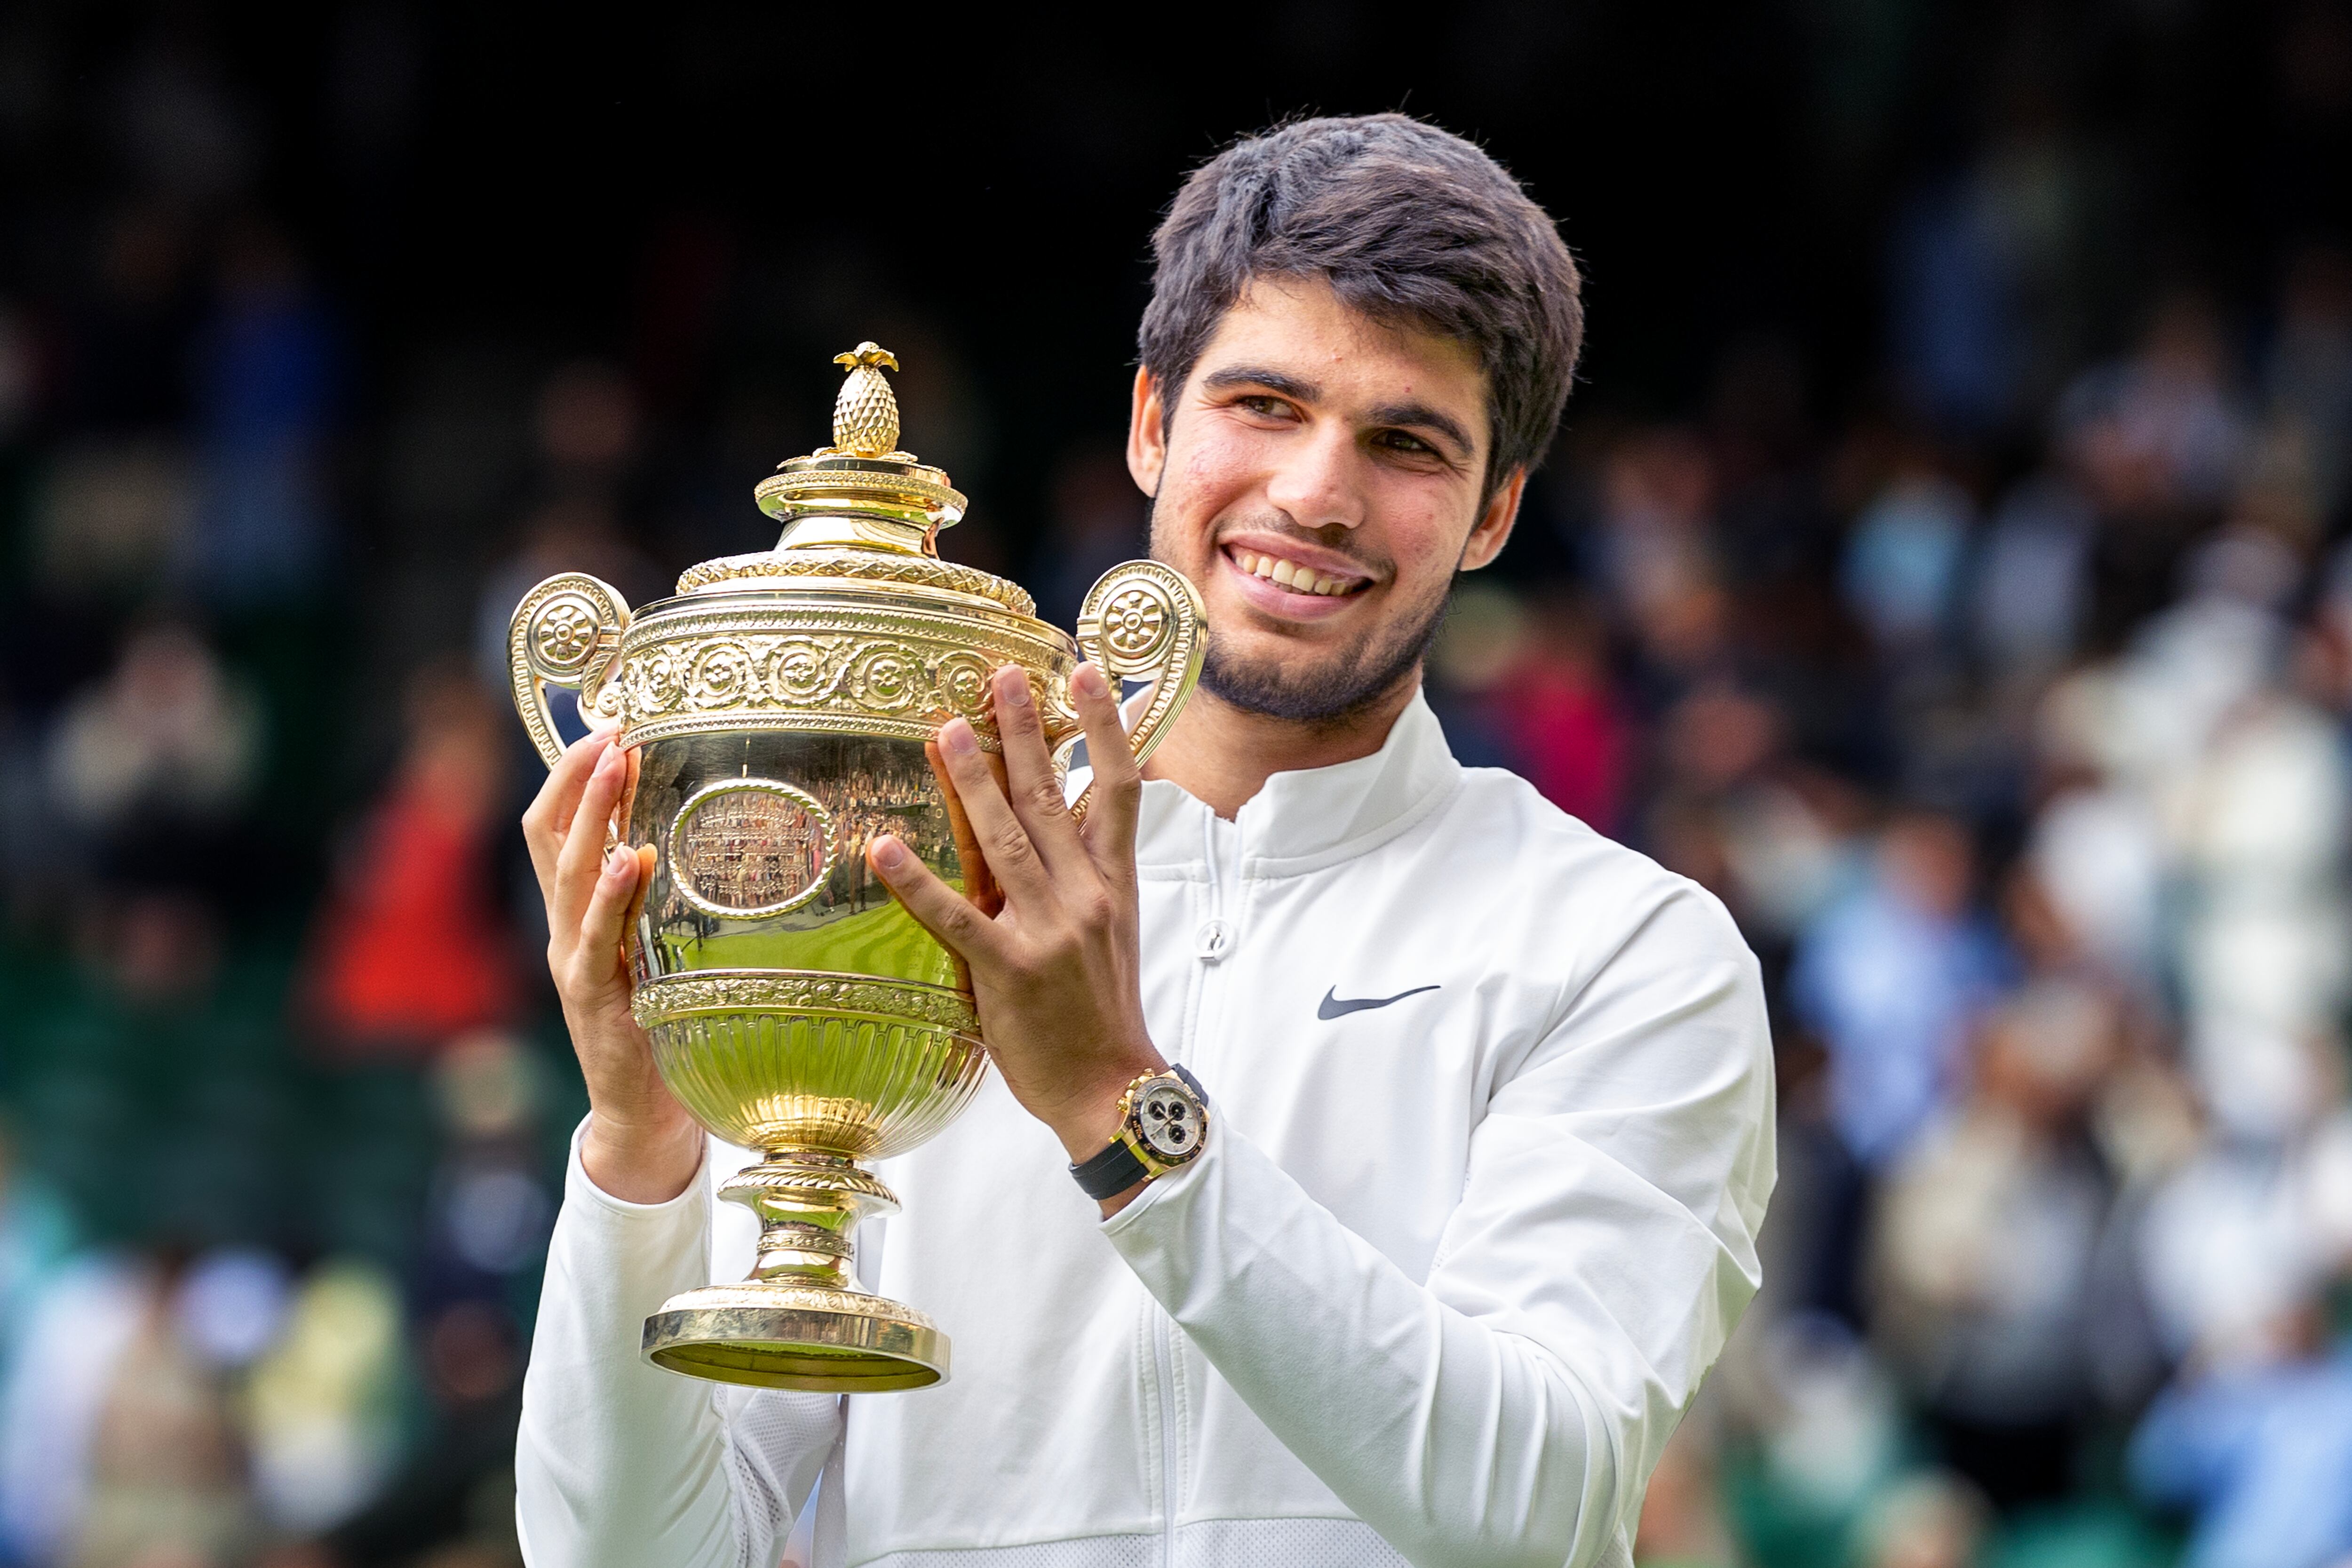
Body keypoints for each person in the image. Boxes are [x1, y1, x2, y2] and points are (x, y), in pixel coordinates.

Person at [515, 115, 1775, 1568]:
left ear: (1494, 513)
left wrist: (1127, 1116)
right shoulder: (909, 890)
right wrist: (637, 1150)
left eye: (1406, 441)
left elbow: (1535, 1505)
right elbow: (628, 1558)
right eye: (1265, 405)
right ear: (1151, 426)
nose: (1315, 493)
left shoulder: (1622, 950)